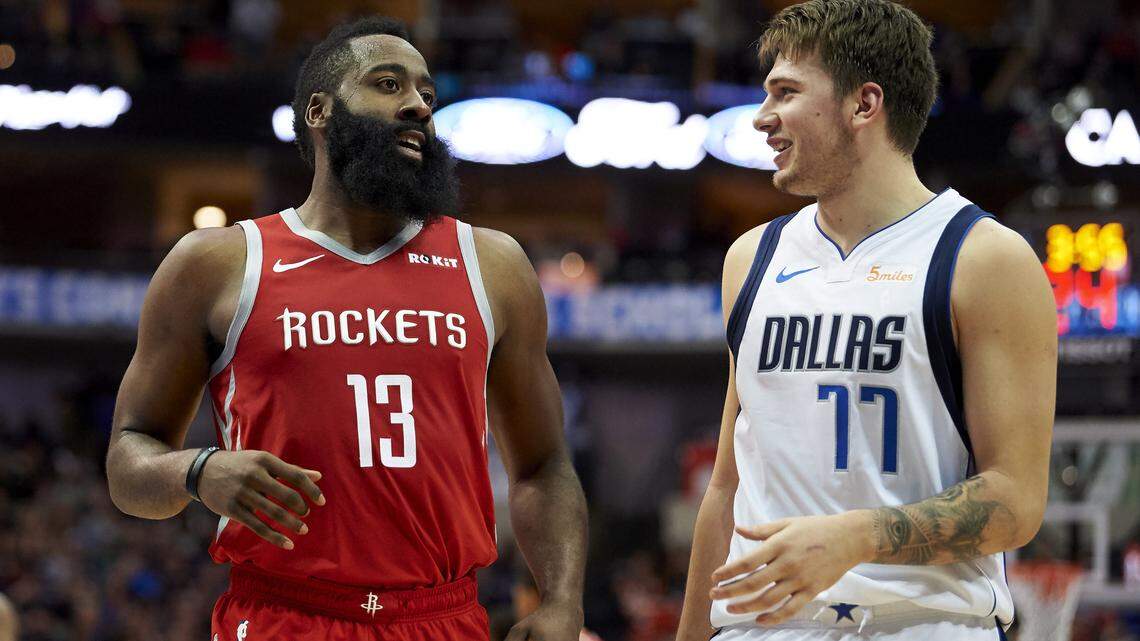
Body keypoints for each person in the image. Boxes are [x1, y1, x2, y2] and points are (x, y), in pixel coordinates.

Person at [105, 16, 587, 641]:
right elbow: (128, 459)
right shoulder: (219, 263)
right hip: (284, 613)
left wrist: (563, 602)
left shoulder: (492, 264)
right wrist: (198, 472)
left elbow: (544, 464)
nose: (417, 105)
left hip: (441, 616)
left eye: (427, 95)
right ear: (320, 111)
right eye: (388, 84)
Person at [675, 1, 1056, 640]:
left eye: (786, 93)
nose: (764, 118)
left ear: (863, 104)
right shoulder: (752, 258)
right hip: (762, 628)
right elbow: (726, 487)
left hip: (921, 623)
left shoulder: (984, 257)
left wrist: (856, 537)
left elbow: (1016, 502)